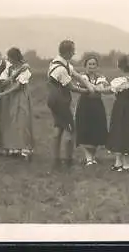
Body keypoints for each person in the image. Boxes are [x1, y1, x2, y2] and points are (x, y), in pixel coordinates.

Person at [46, 40, 95, 170]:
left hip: (53, 100)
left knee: (58, 128)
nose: (74, 53)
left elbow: (77, 75)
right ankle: (68, 160)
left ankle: (56, 160)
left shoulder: (59, 62)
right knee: (70, 130)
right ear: (67, 52)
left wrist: (89, 85)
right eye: (73, 50)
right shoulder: (61, 69)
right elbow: (72, 87)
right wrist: (88, 91)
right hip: (60, 101)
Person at [97, 55, 129, 172]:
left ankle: (121, 164)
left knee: (119, 131)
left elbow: (108, 90)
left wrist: (96, 86)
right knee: (126, 131)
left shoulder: (123, 80)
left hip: (122, 108)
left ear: (119, 66)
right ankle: (123, 164)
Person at [0, 47, 34, 161]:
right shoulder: (9, 68)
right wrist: (14, 75)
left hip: (21, 96)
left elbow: (18, 86)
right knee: (11, 121)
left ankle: (25, 149)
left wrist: (3, 93)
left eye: (10, 57)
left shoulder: (26, 69)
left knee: (22, 121)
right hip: (10, 98)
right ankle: (14, 148)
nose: (9, 60)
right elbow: (3, 81)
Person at [74, 55, 109, 166]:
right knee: (85, 130)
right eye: (89, 64)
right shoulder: (82, 77)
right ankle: (89, 158)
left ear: (97, 66)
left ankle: (92, 157)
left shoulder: (101, 77)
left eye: (94, 64)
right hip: (84, 106)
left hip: (97, 106)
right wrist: (95, 88)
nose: (92, 66)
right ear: (85, 66)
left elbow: (101, 88)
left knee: (96, 130)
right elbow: (88, 88)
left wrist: (92, 88)